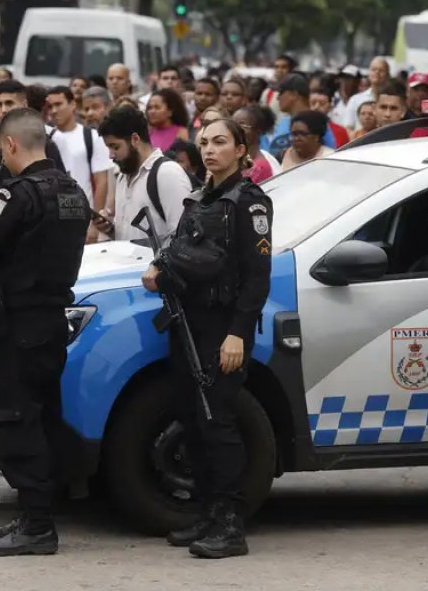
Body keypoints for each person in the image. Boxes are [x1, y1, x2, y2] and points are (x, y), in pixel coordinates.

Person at [0, 108, 90, 556]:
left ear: (10, 145)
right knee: (42, 417)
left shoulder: (14, 196)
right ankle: (38, 513)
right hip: (50, 321)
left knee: (16, 421)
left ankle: (37, 525)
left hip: (15, 323)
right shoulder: (73, 191)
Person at [141, 117, 272, 559]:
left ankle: (231, 525)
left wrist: (237, 334)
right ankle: (208, 513)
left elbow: (256, 279)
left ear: (241, 148)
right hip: (187, 323)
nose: (209, 150)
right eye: (204, 142)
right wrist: (159, 267)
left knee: (218, 423)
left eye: (220, 142)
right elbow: (179, 245)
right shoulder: (199, 198)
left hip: (221, 327)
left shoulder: (249, 203)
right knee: (191, 419)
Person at [96, 106, 191, 241]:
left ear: (135, 139)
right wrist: (110, 229)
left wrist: (159, 262)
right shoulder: (123, 177)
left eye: (115, 147)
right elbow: (128, 236)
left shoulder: (168, 173)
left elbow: (183, 237)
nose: (111, 155)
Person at [46, 86, 114, 209]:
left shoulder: (91, 136)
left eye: (58, 104)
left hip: (85, 215)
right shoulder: (46, 138)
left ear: (72, 105)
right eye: (50, 107)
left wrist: (96, 220)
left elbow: (101, 182)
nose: (54, 110)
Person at [233, 104, 280, 184]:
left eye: (242, 126)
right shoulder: (236, 159)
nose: (235, 130)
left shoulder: (260, 167)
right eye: (232, 125)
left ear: (258, 131)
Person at [308, 81, 351, 147]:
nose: (316, 107)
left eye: (322, 103)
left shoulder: (340, 131)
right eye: (313, 103)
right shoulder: (299, 129)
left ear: (330, 107)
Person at [330, 65, 363, 130]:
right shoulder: (334, 102)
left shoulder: (362, 102)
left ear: (357, 82)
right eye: (343, 78)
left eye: (349, 78)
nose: (345, 82)